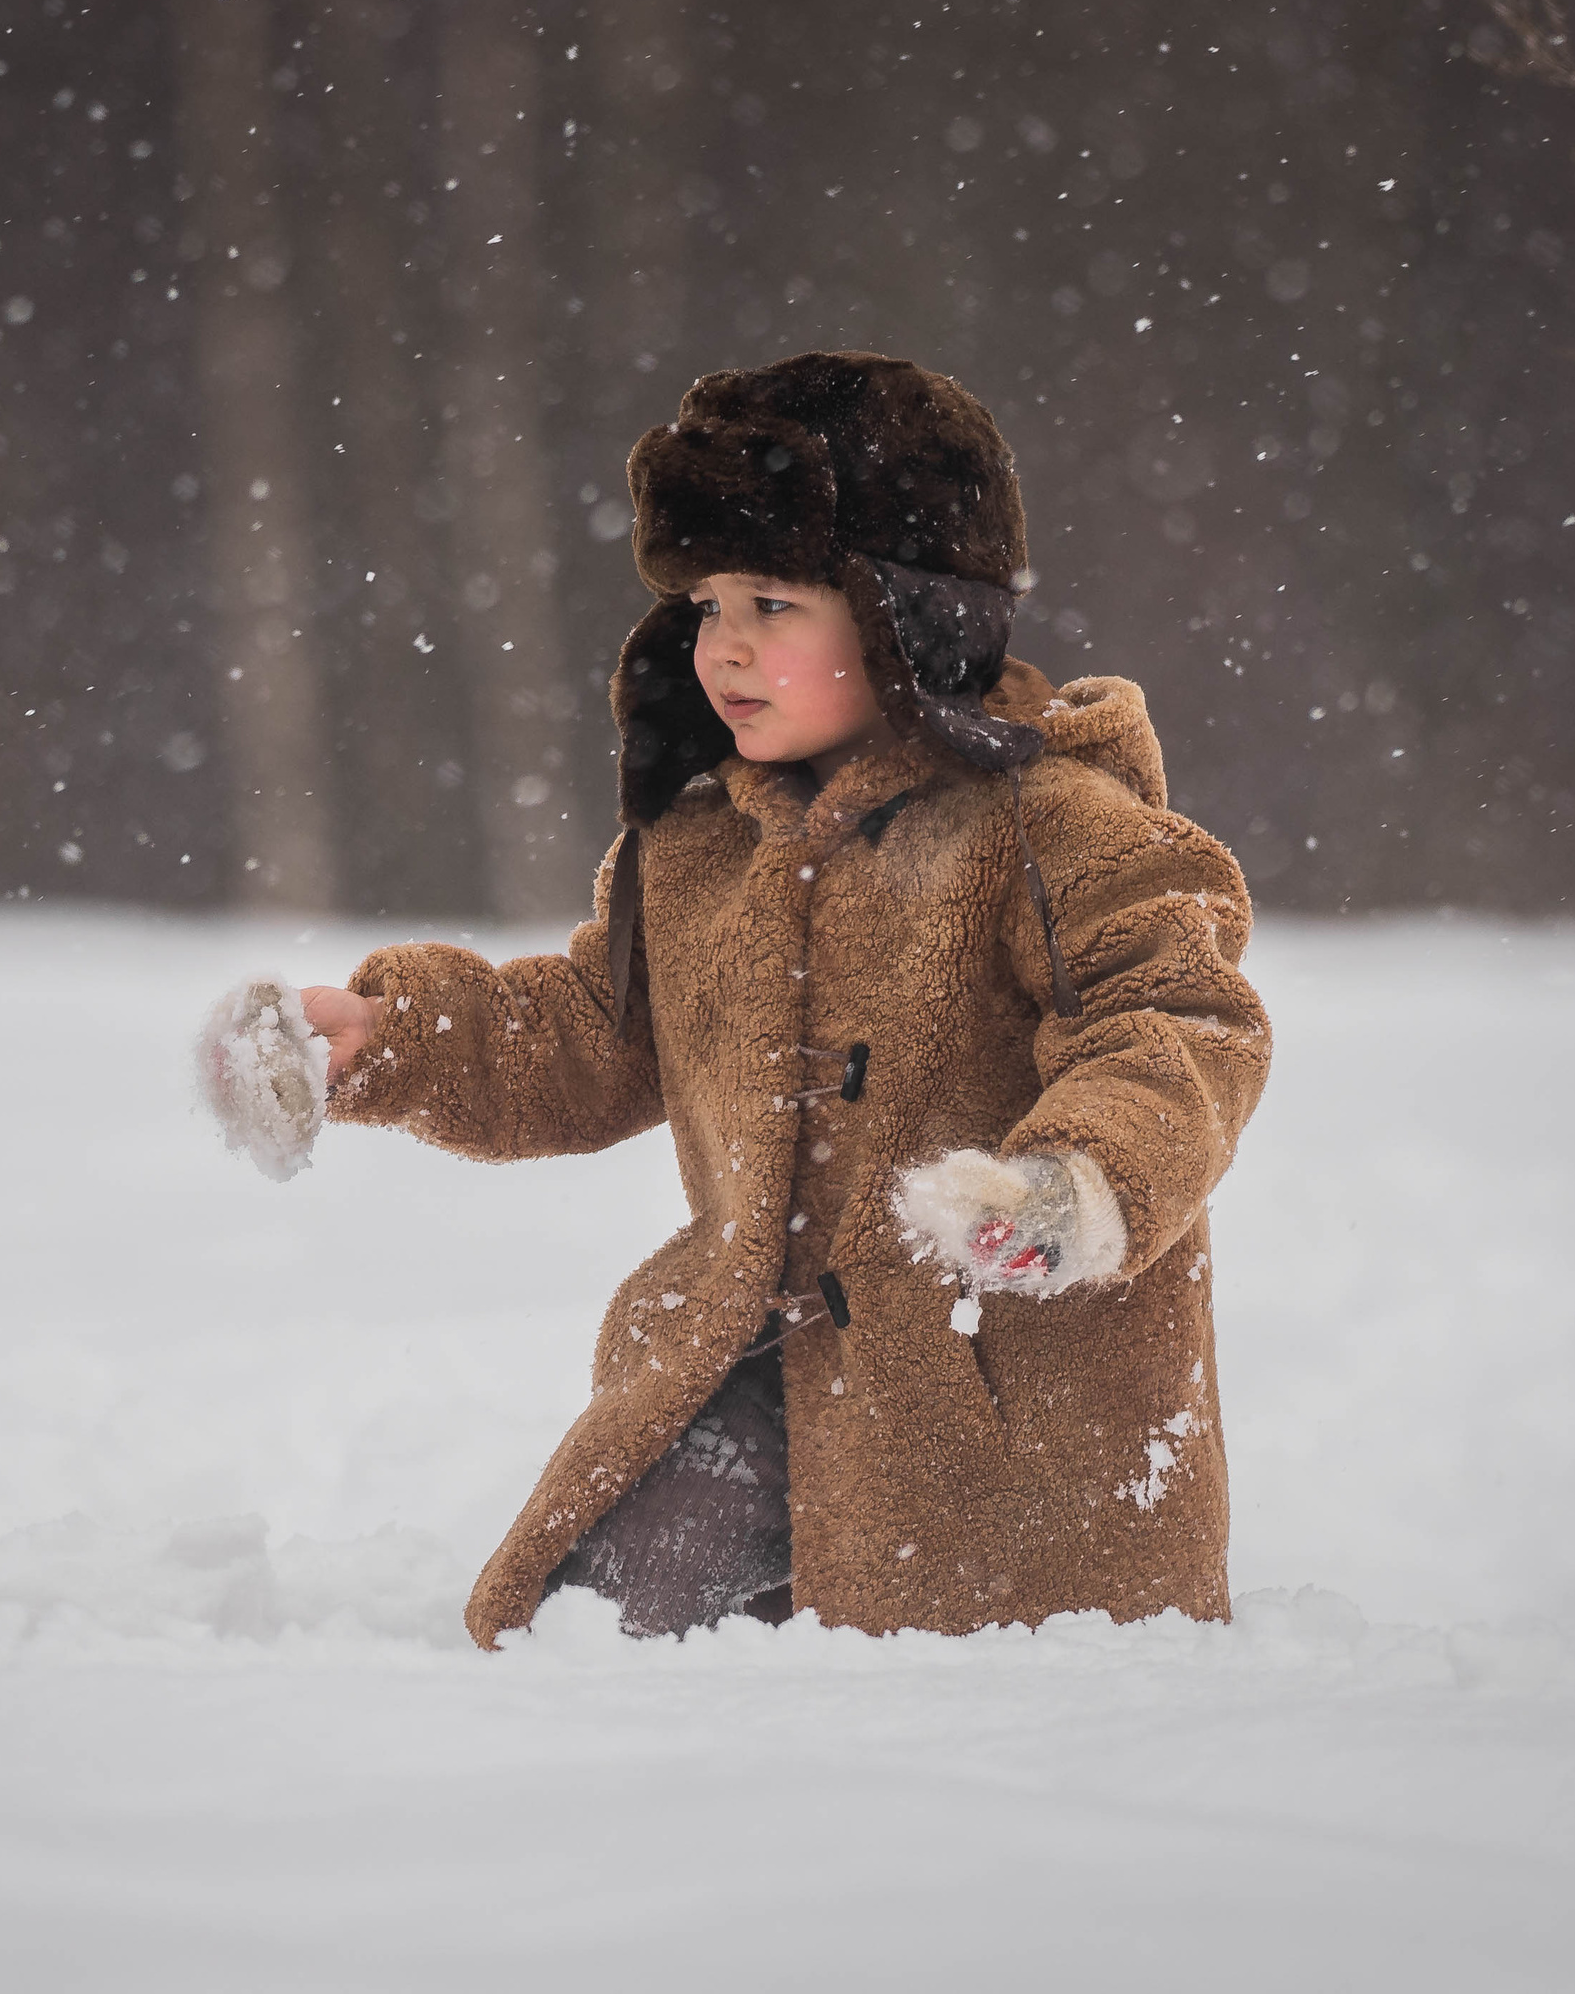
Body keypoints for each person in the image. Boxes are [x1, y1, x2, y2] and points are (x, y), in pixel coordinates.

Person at [297, 351, 1270, 1649]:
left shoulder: (1046, 825)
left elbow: (1178, 1014)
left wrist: (1080, 1180)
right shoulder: (700, 853)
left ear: (906, 615)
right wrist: (399, 1036)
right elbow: (597, 1033)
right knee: (592, 1649)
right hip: (745, 1372)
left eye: (773, 601)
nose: (725, 647)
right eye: (704, 605)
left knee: (943, 1709)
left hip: (999, 1417)